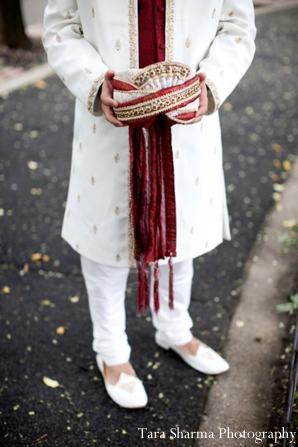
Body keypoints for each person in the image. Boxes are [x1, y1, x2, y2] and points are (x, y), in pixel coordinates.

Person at [43, 0, 256, 409]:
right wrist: (93, 81)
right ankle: (111, 350)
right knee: (105, 234)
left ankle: (174, 326)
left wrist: (210, 86)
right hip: (109, 120)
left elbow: (237, 26)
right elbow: (60, 27)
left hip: (187, 117)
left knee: (178, 226)